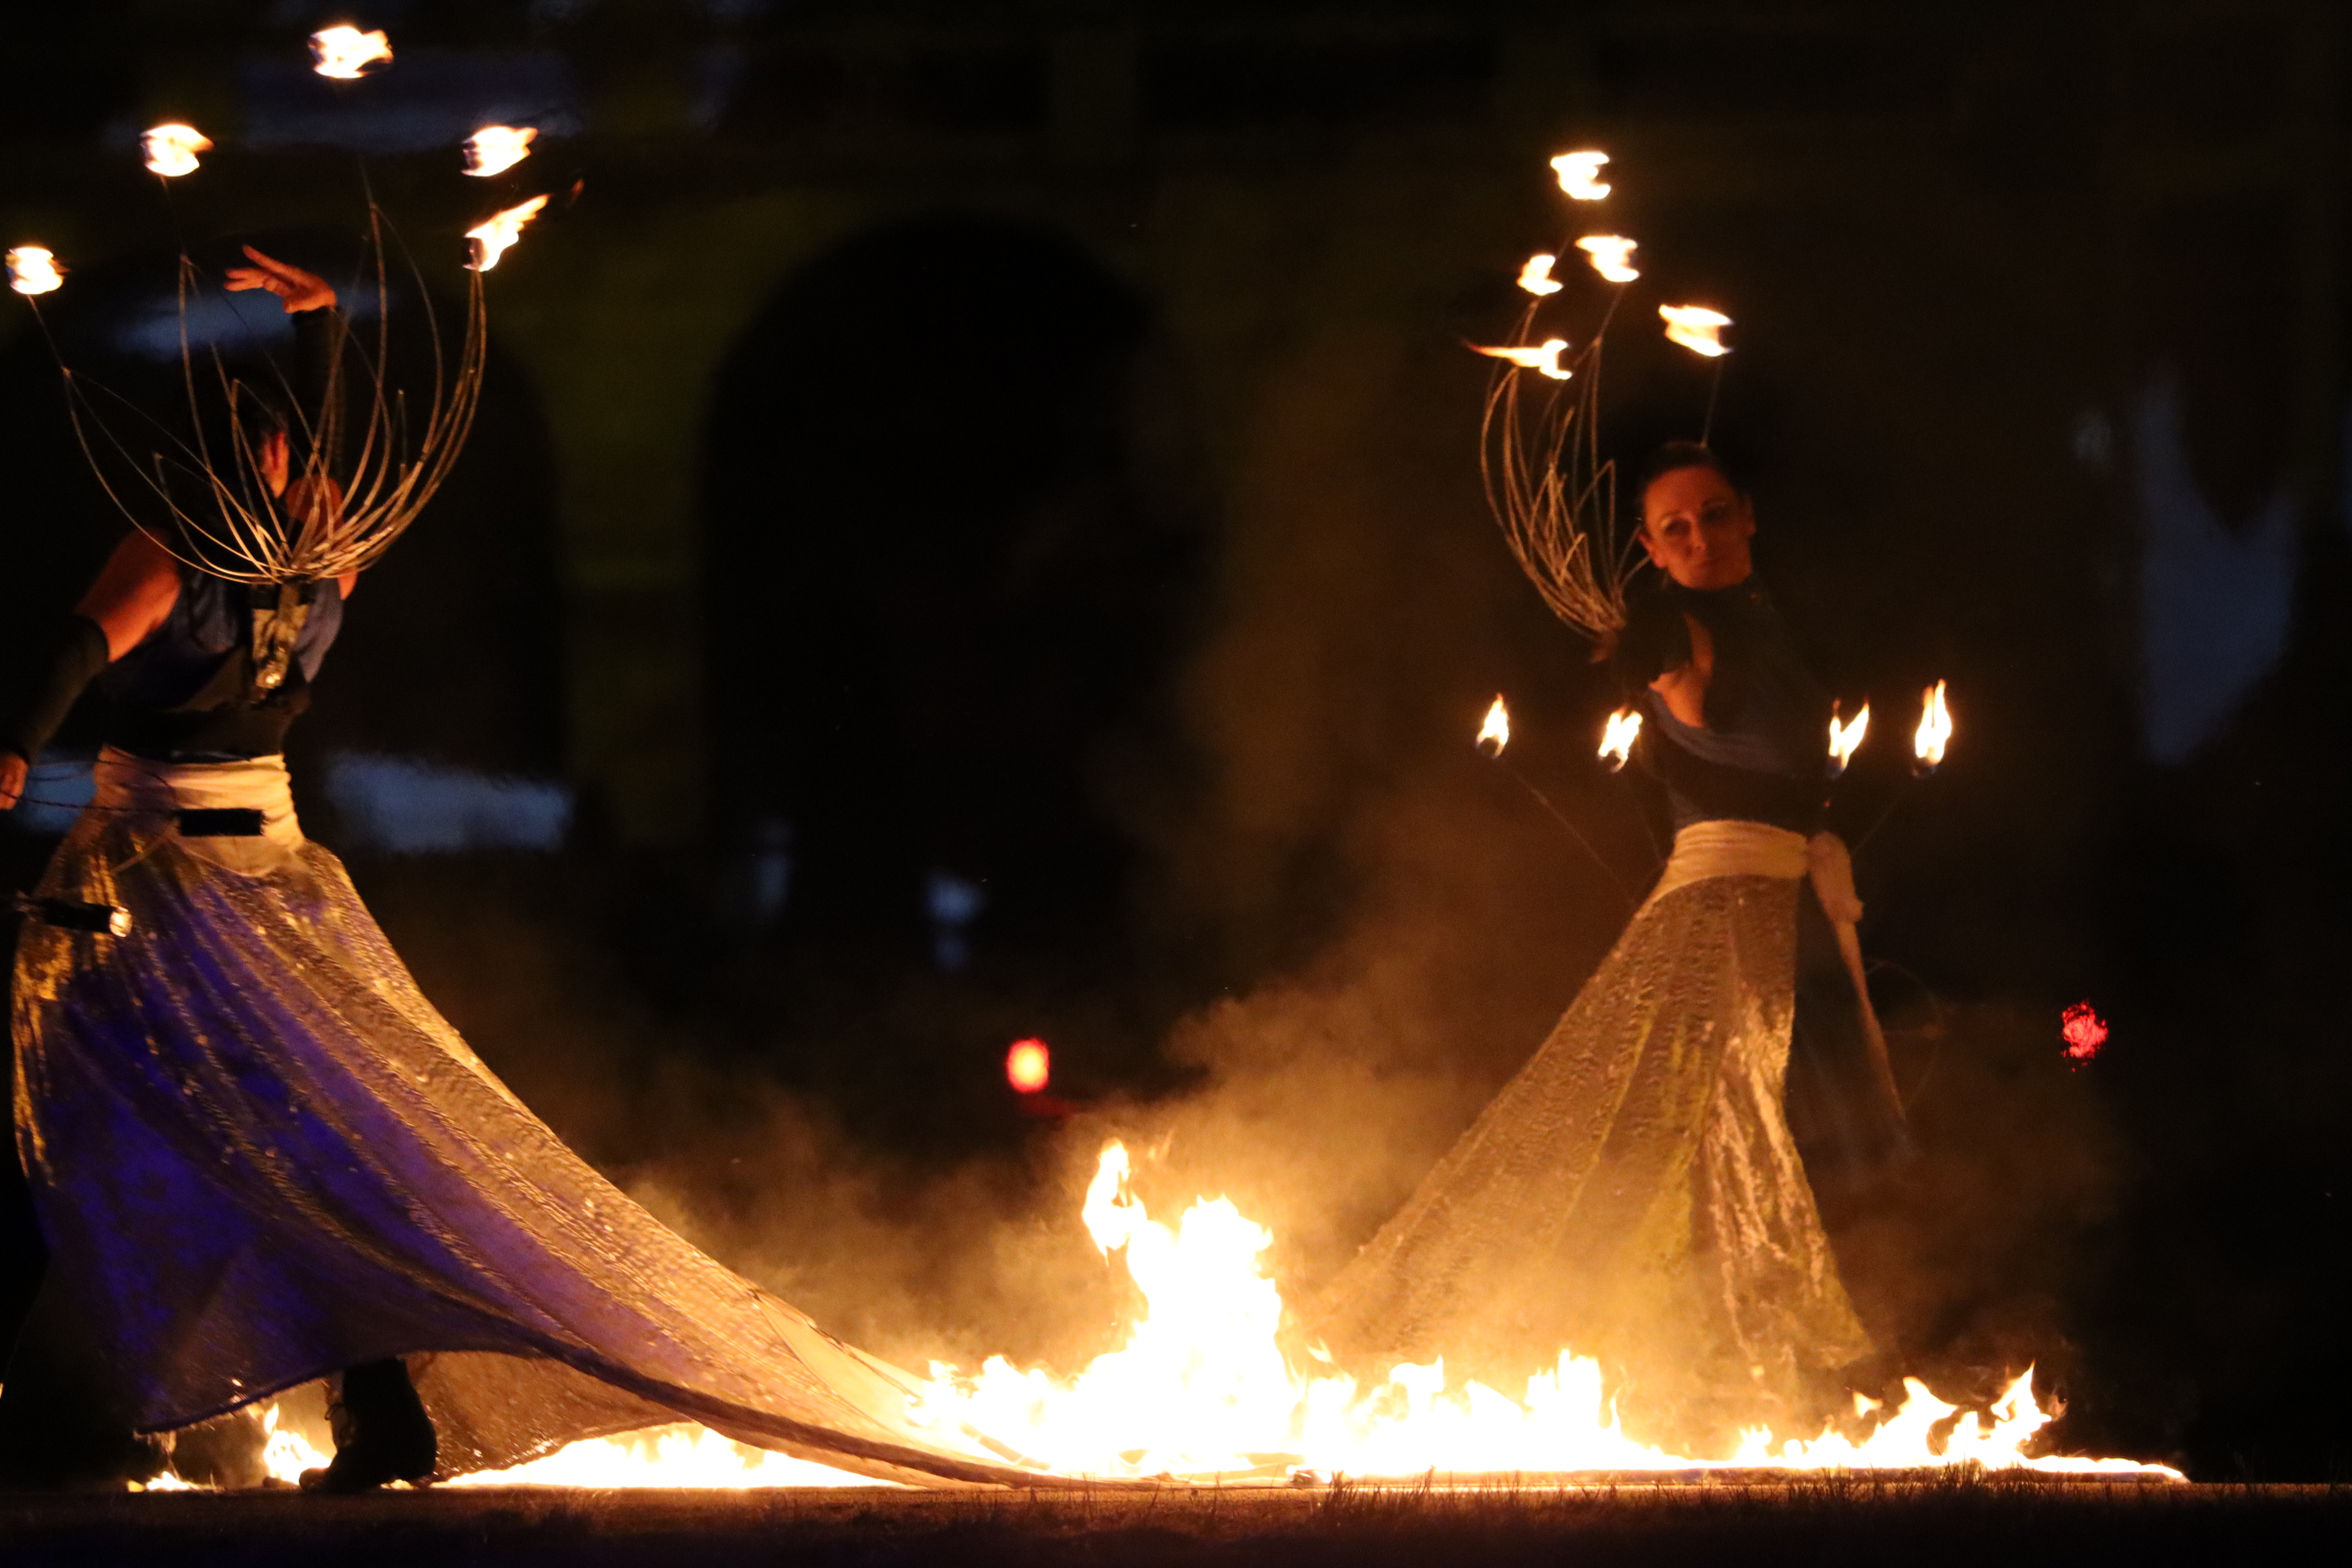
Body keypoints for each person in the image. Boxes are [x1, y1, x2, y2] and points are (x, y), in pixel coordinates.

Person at [0, 251, 1033, 1492]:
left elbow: (76, 643)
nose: (309, 481)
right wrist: (323, 328)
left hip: (172, 891)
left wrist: (15, 743)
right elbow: (274, 498)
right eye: (290, 462)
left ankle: (281, 1408)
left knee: (160, 1134)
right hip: (250, 881)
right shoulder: (322, 564)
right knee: (251, 1144)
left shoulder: (194, 556)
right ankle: (276, 1407)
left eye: (284, 461)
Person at [1312, 442, 1906, 1451]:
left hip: (1765, 911)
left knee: (1728, 1137)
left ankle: (1717, 1379)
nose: (1700, 537)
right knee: (1704, 1139)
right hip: (1709, 912)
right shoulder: (1667, 630)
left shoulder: (1771, 626)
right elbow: (1668, 682)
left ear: (1747, 516)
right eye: (1675, 528)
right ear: (1649, 548)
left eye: (1714, 515)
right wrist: (1656, 665)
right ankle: (1695, 1376)